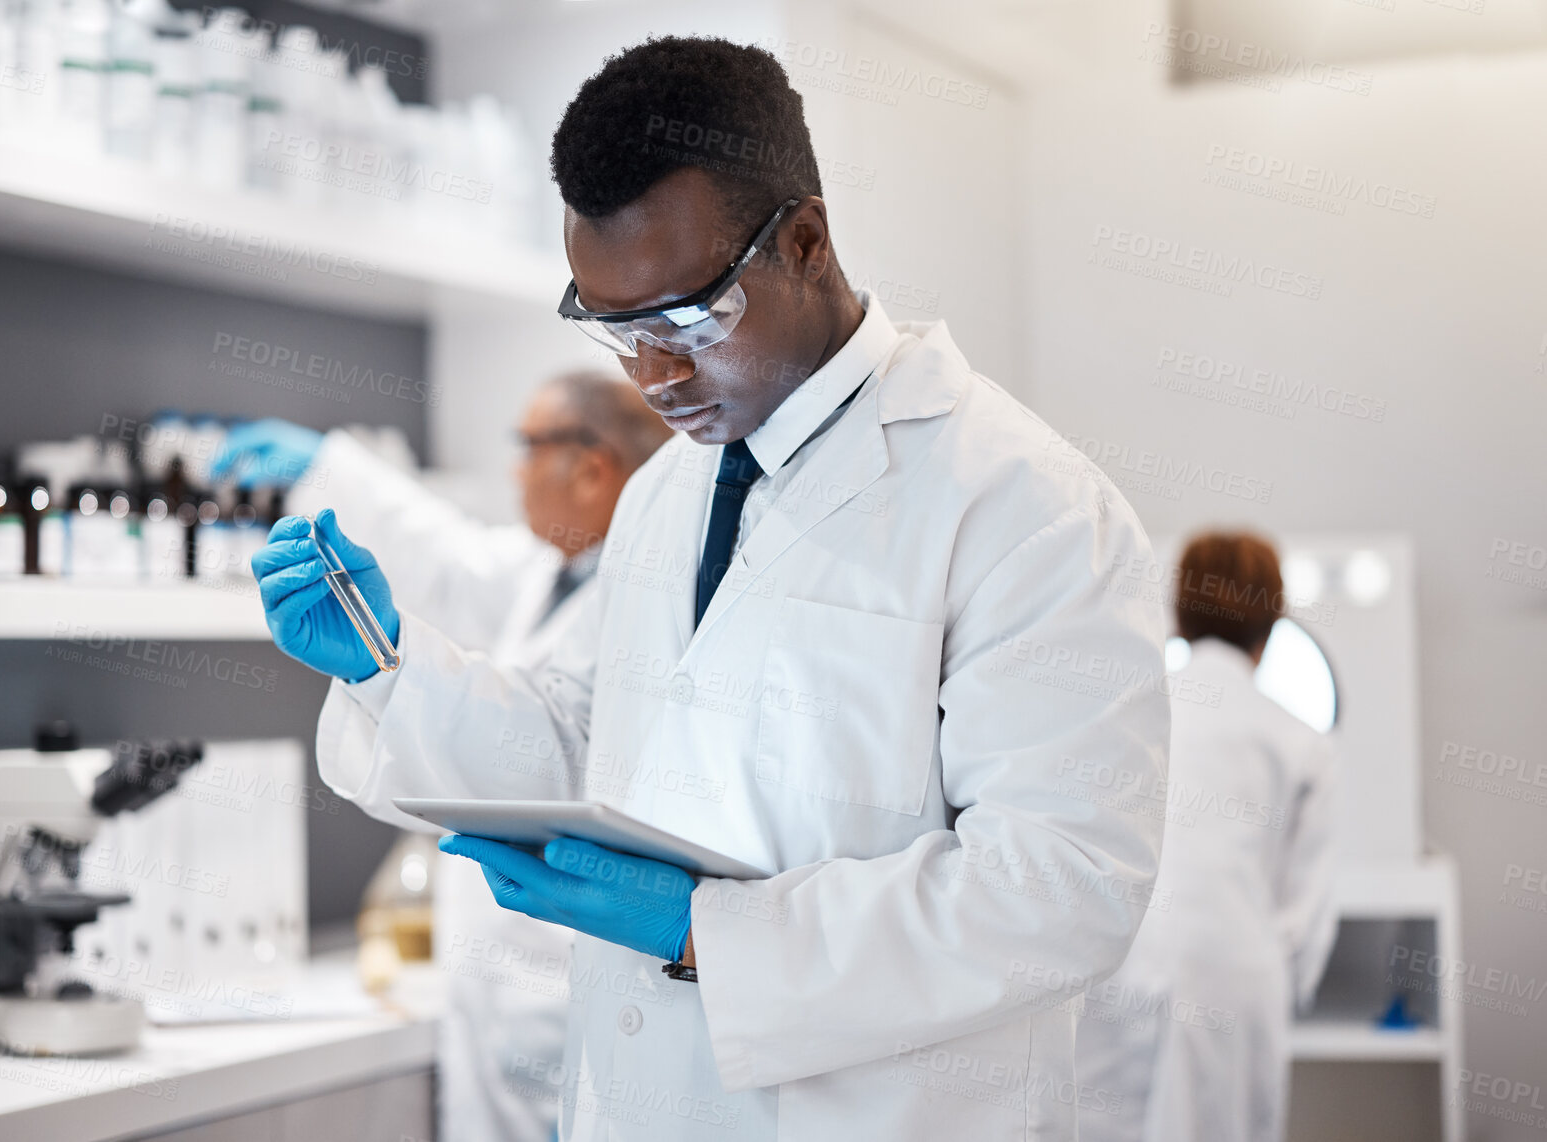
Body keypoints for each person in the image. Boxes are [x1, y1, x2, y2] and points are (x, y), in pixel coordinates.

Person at [254, 37, 1170, 1141]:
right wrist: (391, 672)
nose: (654, 376)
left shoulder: (1024, 502)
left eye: (688, 321)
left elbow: (1061, 890)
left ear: (806, 241)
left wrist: (713, 936)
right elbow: (599, 735)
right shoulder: (665, 494)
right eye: (618, 330)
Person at [225, 372, 671, 1142]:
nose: (515, 470)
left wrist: (385, 663)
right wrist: (327, 470)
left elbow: (544, 748)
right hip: (501, 986)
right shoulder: (550, 572)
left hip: (576, 980)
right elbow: (447, 554)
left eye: (529, 447)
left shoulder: (645, 602)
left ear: (592, 468)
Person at [1074, 532, 1340, 1142]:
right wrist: (1277, 986)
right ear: (1272, 620)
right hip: (1236, 978)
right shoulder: (1303, 742)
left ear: (1179, 610)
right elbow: (1304, 920)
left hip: (1121, 961)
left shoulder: (1132, 712)